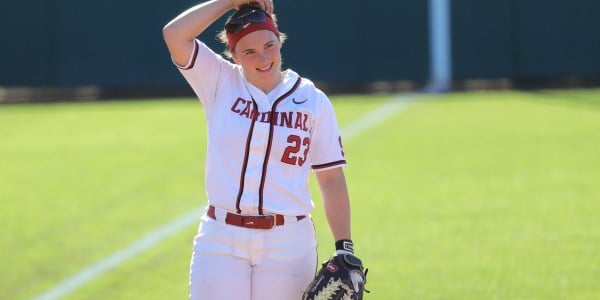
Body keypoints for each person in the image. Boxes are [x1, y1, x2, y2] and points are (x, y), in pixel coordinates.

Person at [163, 1, 360, 299]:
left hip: (289, 242)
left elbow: (331, 178)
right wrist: (230, 1)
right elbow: (174, 34)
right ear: (234, 55)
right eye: (249, 51)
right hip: (221, 239)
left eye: (270, 45)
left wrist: (344, 246)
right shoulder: (219, 80)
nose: (264, 57)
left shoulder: (312, 100)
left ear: (280, 40)